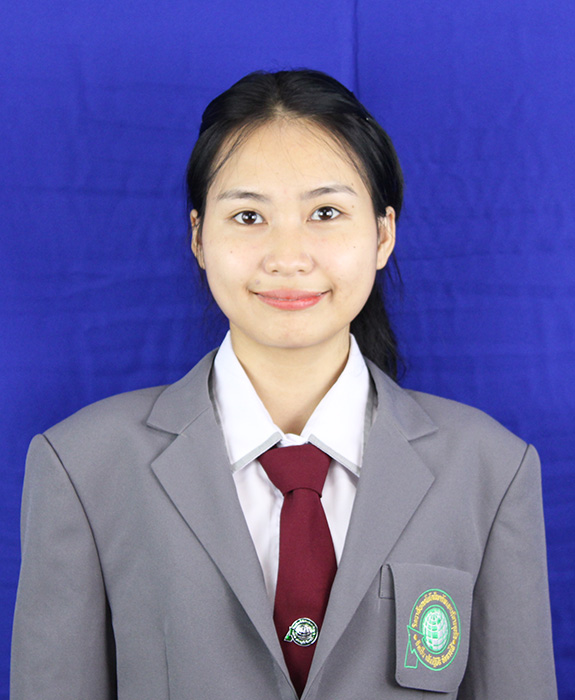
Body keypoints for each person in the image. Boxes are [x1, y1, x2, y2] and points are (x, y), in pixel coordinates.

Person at [11, 69, 557, 699]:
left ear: (383, 234)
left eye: (326, 212)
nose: (288, 257)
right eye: (249, 216)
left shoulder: (489, 471)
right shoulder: (83, 467)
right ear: (198, 237)